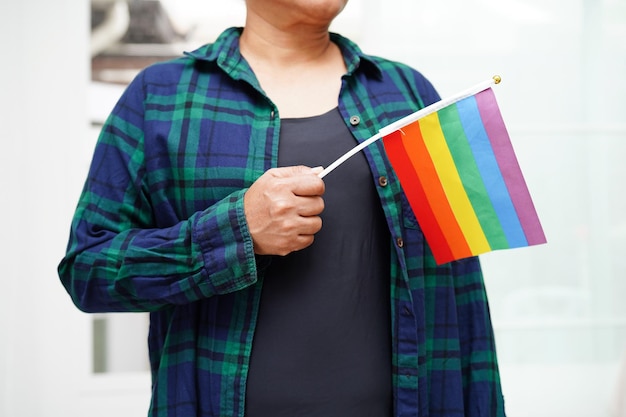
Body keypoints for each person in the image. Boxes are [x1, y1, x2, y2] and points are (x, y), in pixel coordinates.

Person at [58, 0, 507, 416]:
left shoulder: (411, 93)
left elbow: (463, 291)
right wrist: (235, 233)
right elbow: (88, 271)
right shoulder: (158, 96)